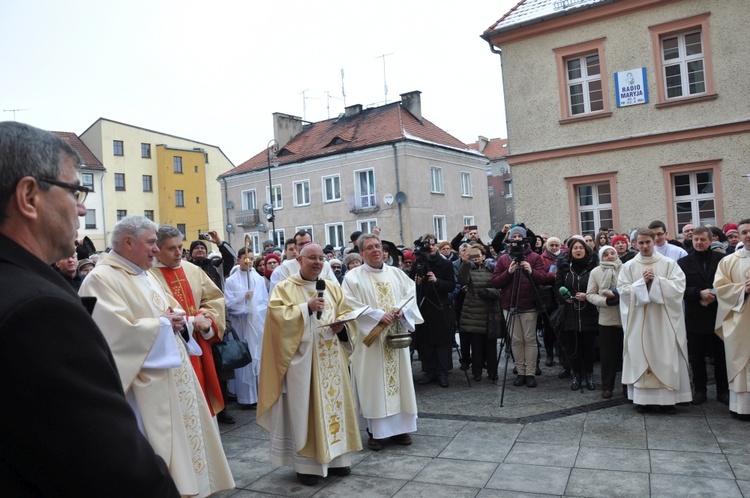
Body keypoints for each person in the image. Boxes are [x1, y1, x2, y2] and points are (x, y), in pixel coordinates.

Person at [0, 121, 180, 496]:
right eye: (75, 191)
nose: (82, 210)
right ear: (29, 196)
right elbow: (114, 469)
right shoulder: (40, 311)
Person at [79, 215, 235, 496]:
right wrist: (162, 325)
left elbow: (173, 314)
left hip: (175, 380)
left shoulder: (145, 275)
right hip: (146, 391)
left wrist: (185, 322)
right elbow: (110, 336)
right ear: (128, 242)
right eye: (151, 243)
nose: (155, 250)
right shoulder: (101, 279)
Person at [257, 244, 361, 485]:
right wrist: (306, 308)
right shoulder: (285, 288)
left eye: (320, 258)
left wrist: (342, 328)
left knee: (334, 409)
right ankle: (307, 466)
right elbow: (276, 321)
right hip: (302, 363)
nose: (317, 262)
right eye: (311, 258)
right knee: (305, 410)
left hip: (332, 361)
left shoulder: (332, 287)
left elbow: (346, 316)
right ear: (300, 261)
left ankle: (338, 460)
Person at [342, 233, 423, 451]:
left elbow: (410, 295)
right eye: (370, 247)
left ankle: (400, 429)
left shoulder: (396, 274)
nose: (376, 250)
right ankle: (375, 432)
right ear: (361, 253)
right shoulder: (353, 278)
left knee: (400, 383)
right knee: (373, 385)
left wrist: (401, 310)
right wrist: (377, 315)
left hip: (395, 339)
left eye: (378, 246)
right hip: (370, 343)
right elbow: (348, 304)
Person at [150, 224, 228, 420]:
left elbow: (214, 300)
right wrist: (192, 321)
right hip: (171, 349)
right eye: (171, 248)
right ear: (157, 249)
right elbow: (154, 312)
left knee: (203, 405)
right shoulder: (148, 275)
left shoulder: (192, 270)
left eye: (180, 246)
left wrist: (207, 320)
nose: (179, 253)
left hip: (199, 347)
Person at [617, 228, 691, 413]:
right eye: (640, 243)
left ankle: (667, 401)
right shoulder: (629, 266)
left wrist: (656, 282)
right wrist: (643, 283)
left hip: (663, 321)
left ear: (655, 241)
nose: (644, 246)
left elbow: (678, 288)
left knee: (666, 355)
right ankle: (643, 401)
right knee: (641, 355)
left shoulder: (668, 264)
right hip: (639, 320)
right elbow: (623, 291)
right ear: (634, 244)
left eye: (647, 242)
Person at [677, 226, 729, 405]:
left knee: (720, 355)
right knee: (696, 357)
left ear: (710, 240)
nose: (699, 242)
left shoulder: (723, 260)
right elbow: (679, 289)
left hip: (718, 314)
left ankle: (723, 390)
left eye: (702, 239)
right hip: (695, 315)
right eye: (696, 239)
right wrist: (699, 293)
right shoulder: (683, 263)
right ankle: (700, 390)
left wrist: (712, 295)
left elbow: (728, 284)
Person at [491, 226, 548, 388]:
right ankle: (520, 371)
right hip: (509, 305)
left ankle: (530, 372)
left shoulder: (535, 257)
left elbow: (543, 278)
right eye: (513, 236)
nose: (516, 239)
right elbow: (495, 281)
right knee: (516, 340)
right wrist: (507, 272)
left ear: (524, 238)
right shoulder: (503, 259)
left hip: (529, 304)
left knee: (529, 339)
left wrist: (531, 272)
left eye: (519, 236)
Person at [714, 219, 750, 418]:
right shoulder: (728, 261)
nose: (748, 235)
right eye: (744, 232)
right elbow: (720, 289)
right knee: (740, 363)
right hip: (739, 321)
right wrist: (742, 289)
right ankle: (742, 408)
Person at [410, 234, 457, 388]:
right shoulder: (417, 265)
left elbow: (451, 285)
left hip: (440, 306)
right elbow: (409, 286)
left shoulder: (445, 265)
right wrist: (416, 282)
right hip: (423, 307)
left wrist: (437, 281)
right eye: (427, 245)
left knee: (442, 341)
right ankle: (429, 371)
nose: (430, 248)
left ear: (437, 246)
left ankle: (442, 372)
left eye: (433, 245)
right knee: (426, 341)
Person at [225, 247, 269, 408]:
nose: (248, 261)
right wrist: (243, 300)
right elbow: (228, 304)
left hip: (255, 324)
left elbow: (265, 300)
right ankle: (245, 398)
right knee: (244, 360)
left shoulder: (257, 278)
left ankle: (258, 395)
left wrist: (255, 311)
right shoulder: (231, 281)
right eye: (245, 258)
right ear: (238, 260)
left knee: (256, 358)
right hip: (240, 324)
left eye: (251, 258)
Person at [556, 237, 599, 391]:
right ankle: (576, 376)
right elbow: (558, 286)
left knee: (588, 347)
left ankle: (589, 376)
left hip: (589, 311)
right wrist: (565, 297)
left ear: (586, 250)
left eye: (581, 248)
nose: (578, 250)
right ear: (571, 251)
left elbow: (598, 287)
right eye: (575, 248)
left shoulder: (593, 267)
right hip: (570, 312)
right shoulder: (565, 268)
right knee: (573, 347)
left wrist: (587, 295)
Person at [458, 245, 501, 382]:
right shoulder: (469, 269)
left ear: (484, 256)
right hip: (473, 312)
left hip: (490, 312)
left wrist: (489, 292)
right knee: (475, 345)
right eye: (473, 255)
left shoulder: (493, 269)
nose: (476, 257)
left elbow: (500, 288)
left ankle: (492, 371)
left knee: (491, 345)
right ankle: (476, 372)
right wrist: (465, 264)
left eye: (479, 254)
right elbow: (462, 281)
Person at [586, 245, 624, 399]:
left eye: (612, 253)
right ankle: (607, 387)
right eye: (606, 254)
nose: (610, 256)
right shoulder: (596, 272)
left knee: (627, 356)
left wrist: (620, 297)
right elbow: (590, 294)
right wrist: (606, 301)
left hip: (626, 318)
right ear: (601, 257)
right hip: (607, 319)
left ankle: (628, 387)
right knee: (607, 357)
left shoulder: (626, 269)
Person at [270, 230, 339, 292]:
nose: (305, 246)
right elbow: (285, 291)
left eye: (308, 243)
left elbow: (335, 288)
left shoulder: (324, 264)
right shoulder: (287, 266)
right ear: (295, 247)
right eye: (301, 244)